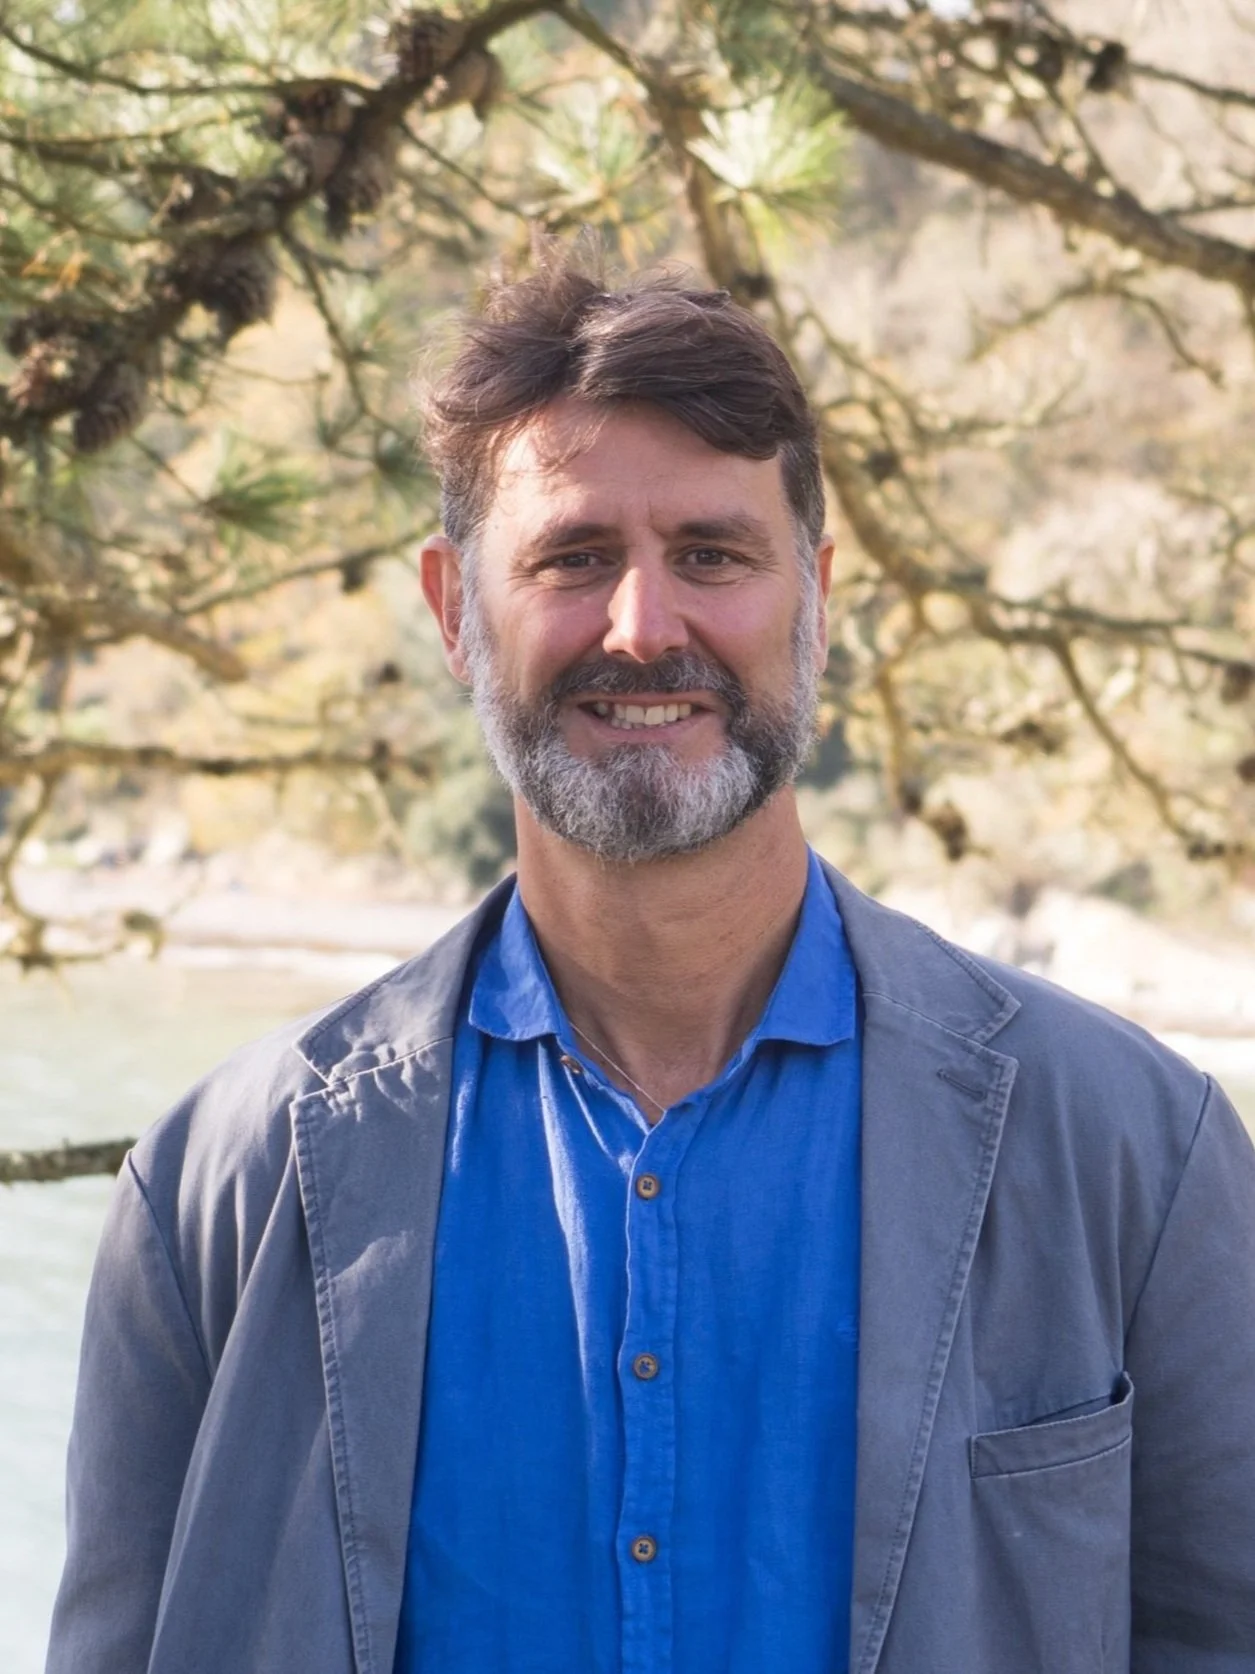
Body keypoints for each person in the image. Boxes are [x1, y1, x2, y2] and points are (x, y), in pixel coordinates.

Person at [47, 256, 1255, 1674]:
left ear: (815, 596)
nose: (642, 626)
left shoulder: (1132, 1153)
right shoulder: (217, 1193)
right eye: (570, 557)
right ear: (451, 608)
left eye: (711, 553)